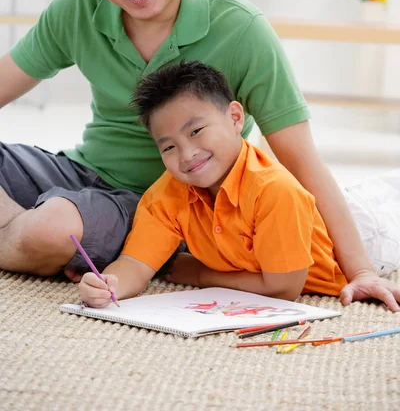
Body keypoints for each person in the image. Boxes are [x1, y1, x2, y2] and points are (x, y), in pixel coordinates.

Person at [0, 0, 398, 310]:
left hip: (160, 204)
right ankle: (22, 236)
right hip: (78, 172)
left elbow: (301, 160)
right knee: (41, 226)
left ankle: (30, 235)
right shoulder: (80, 5)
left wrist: (361, 270)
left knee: (52, 230)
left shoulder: (241, 30)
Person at [78, 61, 400, 308]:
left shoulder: (275, 191)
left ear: (235, 118)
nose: (187, 154)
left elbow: (283, 289)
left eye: (195, 131)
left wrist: (200, 274)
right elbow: (136, 263)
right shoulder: (168, 193)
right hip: (316, 213)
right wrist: (110, 284)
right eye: (168, 147)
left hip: (367, 233)